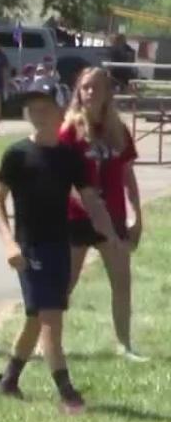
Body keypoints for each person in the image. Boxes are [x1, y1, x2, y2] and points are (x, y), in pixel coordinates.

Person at [0, 81, 119, 414]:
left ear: (61, 111)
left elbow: (91, 199)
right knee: (51, 319)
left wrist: (111, 234)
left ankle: (8, 380)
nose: (36, 114)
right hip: (29, 249)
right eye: (31, 108)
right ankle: (67, 393)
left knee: (37, 318)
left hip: (58, 246)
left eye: (44, 108)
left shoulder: (69, 157)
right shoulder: (17, 154)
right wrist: (8, 242)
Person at [59, 67, 146, 361]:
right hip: (77, 217)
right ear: (78, 92)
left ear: (109, 93)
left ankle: (124, 344)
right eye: (85, 87)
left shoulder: (118, 130)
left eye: (97, 87)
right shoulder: (69, 130)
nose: (91, 92)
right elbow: (62, 178)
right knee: (64, 284)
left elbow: (127, 174)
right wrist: (86, 204)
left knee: (122, 282)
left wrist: (137, 214)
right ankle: (45, 342)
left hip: (114, 218)